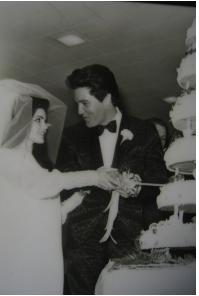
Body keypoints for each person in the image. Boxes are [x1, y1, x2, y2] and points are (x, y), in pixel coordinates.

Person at [0, 79, 121, 295]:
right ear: (19, 122)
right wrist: (92, 176)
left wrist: (77, 198)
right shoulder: (5, 157)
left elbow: (48, 211)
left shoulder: (32, 162)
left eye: (44, 120)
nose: (47, 125)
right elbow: (44, 186)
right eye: (39, 120)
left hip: (41, 253)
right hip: (21, 259)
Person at [56, 64, 167, 294]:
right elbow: (64, 180)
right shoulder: (71, 136)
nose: (78, 110)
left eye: (84, 103)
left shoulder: (144, 130)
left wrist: (136, 187)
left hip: (129, 239)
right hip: (84, 240)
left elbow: (158, 179)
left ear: (106, 98)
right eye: (77, 103)